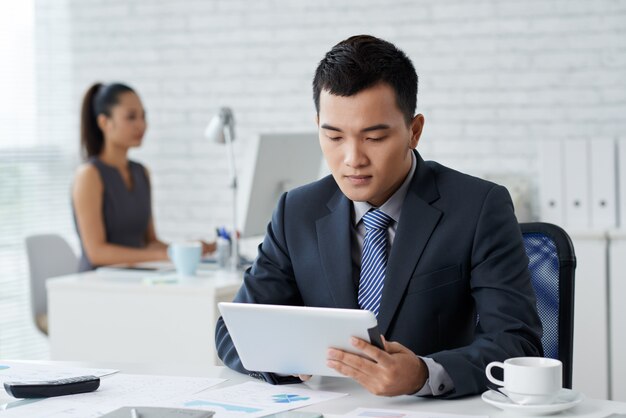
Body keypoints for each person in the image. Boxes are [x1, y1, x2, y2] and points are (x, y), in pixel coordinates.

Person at [215, 35, 543, 398]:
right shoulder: (297, 211)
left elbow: (517, 344)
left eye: (373, 138)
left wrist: (423, 373)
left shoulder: (479, 207)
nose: (353, 158)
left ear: (414, 131)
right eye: (335, 137)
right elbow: (231, 332)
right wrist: (285, 364)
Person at [73, 82, 215, 271]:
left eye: (143, 116)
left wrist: (188, 249)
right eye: (131, 117)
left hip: (135, 279)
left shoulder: (141, 172)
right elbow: (96, 253)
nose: (141, 125)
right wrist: (166, 255)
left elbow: (149, 242)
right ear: (104, 122)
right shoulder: (89, 175)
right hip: (96, 283)